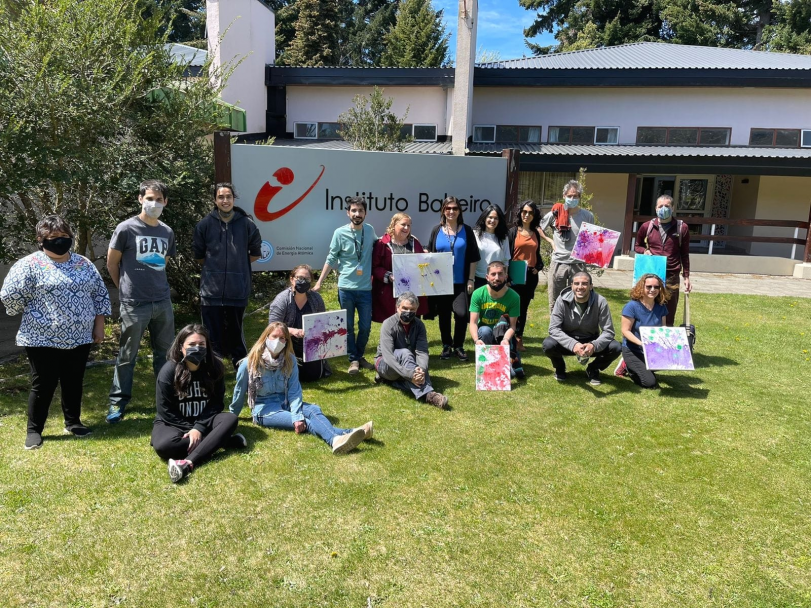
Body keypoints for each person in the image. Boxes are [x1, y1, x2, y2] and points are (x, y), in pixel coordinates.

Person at [1, 215, 111, 449]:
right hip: (41, 338)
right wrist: (25, 305)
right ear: (41, 240)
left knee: (74, 381)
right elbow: (9, 295)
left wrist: (99, 324)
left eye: (64, 237)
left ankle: (73, 422)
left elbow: (99, 294)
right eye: (53, 237)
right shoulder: (28, 265)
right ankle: (34, 430)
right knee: (43, 384)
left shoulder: (83, 264)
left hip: (80, 336)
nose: (60, 241)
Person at [230, 322, 371, 454]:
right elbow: (239, 392)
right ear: (266, 337)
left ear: (286, 342)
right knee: (306, 422)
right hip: (265, 409)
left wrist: (296, 413)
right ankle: (337, 439)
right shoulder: (250, 363)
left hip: (285, 401)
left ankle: (351, 434)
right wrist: (231, 418)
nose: (278, 341)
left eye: (282, 338)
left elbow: (294, 390)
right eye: (274, 337)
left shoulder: (289, 360)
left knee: (314, 410)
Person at [106, 179, 176, 424]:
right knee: (127, 355)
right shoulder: (125, 228)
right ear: (140, 199)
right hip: (134, 304)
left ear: (165, 202)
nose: (153, 203)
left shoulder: (167, 232)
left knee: (166, 355)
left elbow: (163, 264)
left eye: (158, 199)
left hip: (162, 302)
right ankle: (118, 401)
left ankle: (166, 399)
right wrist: (124, 289)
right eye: (149, 198)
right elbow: (112, 264)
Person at [152, 324, 246, 482]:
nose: (197, 348)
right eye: (191, 344)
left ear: (207, 347)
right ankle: (220, 440)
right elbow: (165, 410)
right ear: (181, 347)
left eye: (201, 344)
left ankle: (188, 463)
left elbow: (216, 404)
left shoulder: (215, 367)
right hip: (172, 422)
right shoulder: (169, 371)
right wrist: (193, 430)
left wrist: (199, 428)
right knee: (164, 446)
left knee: (230, 419)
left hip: (205, 420)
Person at [193, 182, 262, 369]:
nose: (225, 200)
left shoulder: (247, 224)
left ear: (234, 199)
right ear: (215, 200)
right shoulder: (204, 225)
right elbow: (199, 256)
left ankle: (241, 370)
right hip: (211, 291)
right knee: (210, 334)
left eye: (228, 197)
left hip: (237, 289)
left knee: (236, 333)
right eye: (221, 197)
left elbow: (255, 253)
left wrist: (237, 266)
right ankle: (212, 369)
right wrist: (215, 268)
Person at [313, 197, 377, 374]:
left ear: (365, 213)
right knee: (347, 327)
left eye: (360, 211)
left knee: (365, 326)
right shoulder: (339, 233)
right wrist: (319, 282)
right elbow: (331, 258)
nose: (357, 214)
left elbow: (382, 247)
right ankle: (353, 360)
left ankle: (359, 355)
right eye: (354, 211)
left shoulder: (370, 231)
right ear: (348, 213)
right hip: (346, 289)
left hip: (365, 289)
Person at [542, 271, 621, 386]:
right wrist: (573, 345)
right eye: (576, 283)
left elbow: (608, 331)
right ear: (571, 286)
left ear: (591, 286)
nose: (580, 287)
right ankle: (560, 367)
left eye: (584, 283)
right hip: (567, 341)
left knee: (616, 347)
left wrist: (594, 345)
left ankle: (593, 368)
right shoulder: (561, 300)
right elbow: (554, 329)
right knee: (548, 344)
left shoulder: (600, 301)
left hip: (591, 340)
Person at [426, 196, 480, 362]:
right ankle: (446, 345)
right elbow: (430, 251)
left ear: (459, 211)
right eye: (448, 208)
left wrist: (471, 279)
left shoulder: (467, 230)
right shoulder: (436, 230)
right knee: (443, 315)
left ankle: (459, 345)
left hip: (460, 282)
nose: (451, 211)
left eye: (454, 208)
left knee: (462, 313)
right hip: (441, 282)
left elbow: (473, 257)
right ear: (443, 210)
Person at [375, 292, 448, 409]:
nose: (408, 312)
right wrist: (410, 375)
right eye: (405, 308)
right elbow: (388, 357)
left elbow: (422, 351)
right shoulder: (388, 324)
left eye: (412, 309)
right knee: (405, 353)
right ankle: (430, 395)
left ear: (417, 309)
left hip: (407, 363)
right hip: (384, 364)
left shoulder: (419, 325)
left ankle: (395, 382)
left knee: (418, 364)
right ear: (397, 307)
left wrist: (421, 370)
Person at [634, 194, 692, 325]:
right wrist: (645, 251)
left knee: (669, 313)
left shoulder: (681, 228)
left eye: (667, 206)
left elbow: (685, 253)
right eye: (661, 206)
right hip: (651, 274)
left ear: (673, 208)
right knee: (648, 310)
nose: (663, 209)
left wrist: (686, 277)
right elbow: (637, 245)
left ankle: (666, 339)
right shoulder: (647, 226)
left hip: (672, 276)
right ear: (655, 208)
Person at [267, 264, 330, 382]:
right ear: (292, 279)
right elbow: (272, 327)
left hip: (310, 345)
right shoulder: (282, 299)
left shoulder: (316, 299)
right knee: (288, 375)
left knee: (313, 376)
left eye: (306, 279)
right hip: (286, 344)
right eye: (299, 278)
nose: (303, 281)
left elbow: (323, 323)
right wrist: (292, 331)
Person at [540, 180, 595, 311]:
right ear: (564, 196)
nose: (572, 198)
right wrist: (550, 241)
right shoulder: (556, 213)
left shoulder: (587, 216)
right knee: (555, 301)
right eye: (569, 196)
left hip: (578, 264)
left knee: (580, 300)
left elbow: (593, 240)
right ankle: (555, 330)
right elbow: (538, 227)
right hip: (558, 263)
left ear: (579, 197)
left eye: (575, 196)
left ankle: (575, 328)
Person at [469, 261, 524, 379]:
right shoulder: (478, 294)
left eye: (500, 274)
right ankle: (489, 364)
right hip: (485, 335)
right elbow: (473, 323)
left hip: (503, 333)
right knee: (484, 330)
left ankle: (508, 361)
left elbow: (513, 326)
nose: (497, 278)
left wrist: (505, 339)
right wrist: (476, 340)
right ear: (487, 277)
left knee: (516, 374)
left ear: (506, 276)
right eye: (493, 274)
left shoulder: (514, 297)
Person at [372, 212, 428, 323]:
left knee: (413, 320)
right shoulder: (382, 244)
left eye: (409, 225)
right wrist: (389, 276)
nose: (406, 228)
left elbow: (422, 262)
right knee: (393, 323)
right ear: (394, 224)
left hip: (413, 291)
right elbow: (375, 267)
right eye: (403, 224)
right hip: (390, 292)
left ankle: (412, 340)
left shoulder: (414, 242)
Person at [619, 274, 670, 389]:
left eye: (656, 287)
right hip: (633, 350)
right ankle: (627, 366)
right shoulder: (631, 306)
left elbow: (663, 328)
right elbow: (625, 331)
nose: (653, 290)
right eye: (649, 287)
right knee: (650, 383)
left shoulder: (661, 307)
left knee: (671, 361)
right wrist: (642, 344)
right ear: (641, 287)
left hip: (652, 349)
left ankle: (642, 367)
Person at [507, 200, 545, 352]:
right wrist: (508, 275)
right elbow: (507, 255)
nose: (527, 215)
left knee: (523, 308)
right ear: (520, 213)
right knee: (511, 307)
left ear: (534, 215)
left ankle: (519, 339)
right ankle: (507, 337)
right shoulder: (513, 232)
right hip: (515, 273)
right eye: (524, 212)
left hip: (530, 276)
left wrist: (538, 267)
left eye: (530, 212)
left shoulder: (536, 233)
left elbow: (537, 254)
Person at [472, 204, 511, 289]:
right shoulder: (475, 234)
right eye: (490, 217)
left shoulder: (503, 238)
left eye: (496, 218)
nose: (492, 220)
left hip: (496, 280)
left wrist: (504, 281)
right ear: (485, 218)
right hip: (477, 279)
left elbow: (506, 261)